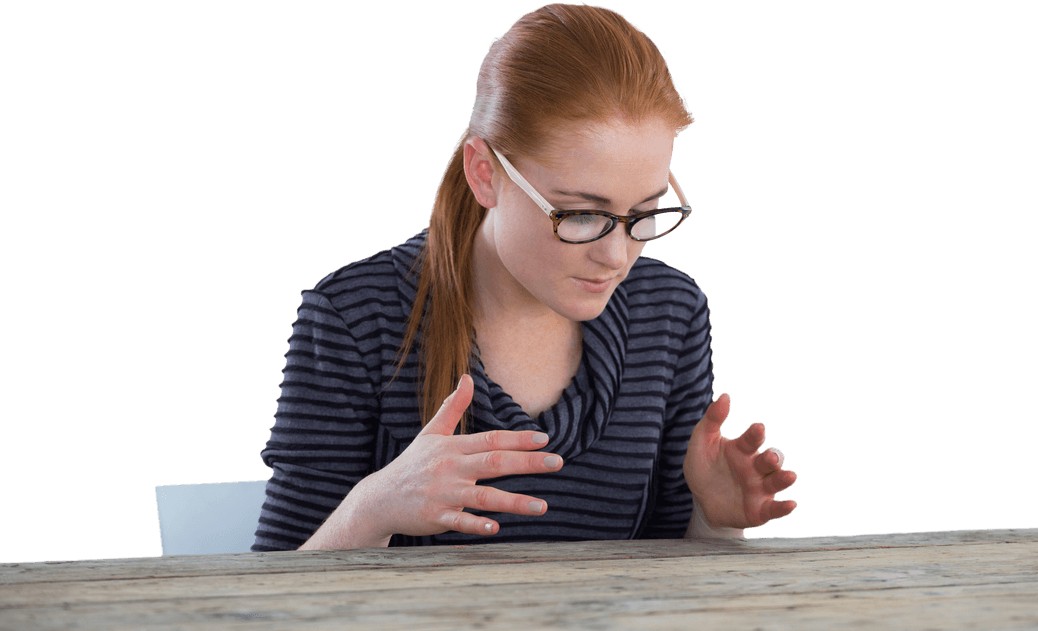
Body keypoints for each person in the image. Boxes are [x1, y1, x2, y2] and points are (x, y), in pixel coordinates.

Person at [251, 2, 797, 552]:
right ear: (484, 175)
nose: (616, 256)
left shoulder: (671, 312)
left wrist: (715, 521)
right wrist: (374, 508)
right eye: (582, 214)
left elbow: (664, 575)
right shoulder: (352, 318)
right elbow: (273, 596)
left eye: (644, 213)